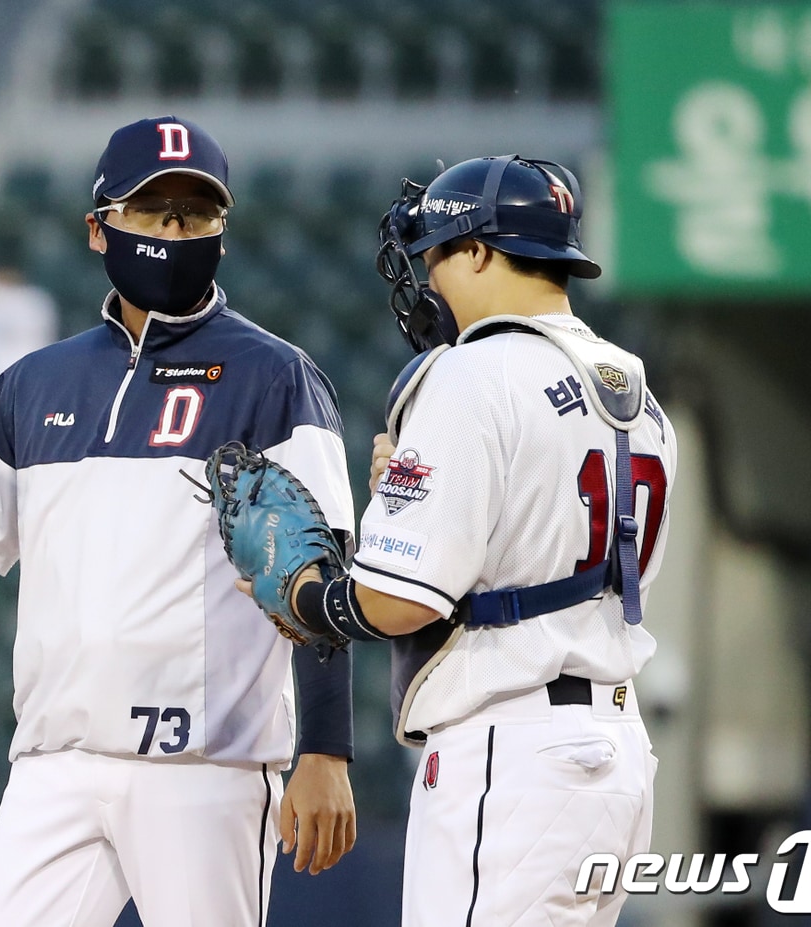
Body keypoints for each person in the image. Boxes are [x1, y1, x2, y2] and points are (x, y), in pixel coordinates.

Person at [0, 116, 357, 926]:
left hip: (207, 766)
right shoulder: (32, 384)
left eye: (196, 215)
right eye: (152, 211)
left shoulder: (277, 376)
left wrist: (325, 747)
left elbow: (318, 572)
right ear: (98, 228)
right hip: (55, 764)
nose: (175, 230)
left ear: (222, 235)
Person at [247, 155, 678, 926]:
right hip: (613, 752)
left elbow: (401, 600)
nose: (429, 278)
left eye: (438, 255)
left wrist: (301, 593)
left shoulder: (472, 374)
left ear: (478, 251)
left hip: (511, 752)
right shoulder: (635, 391)